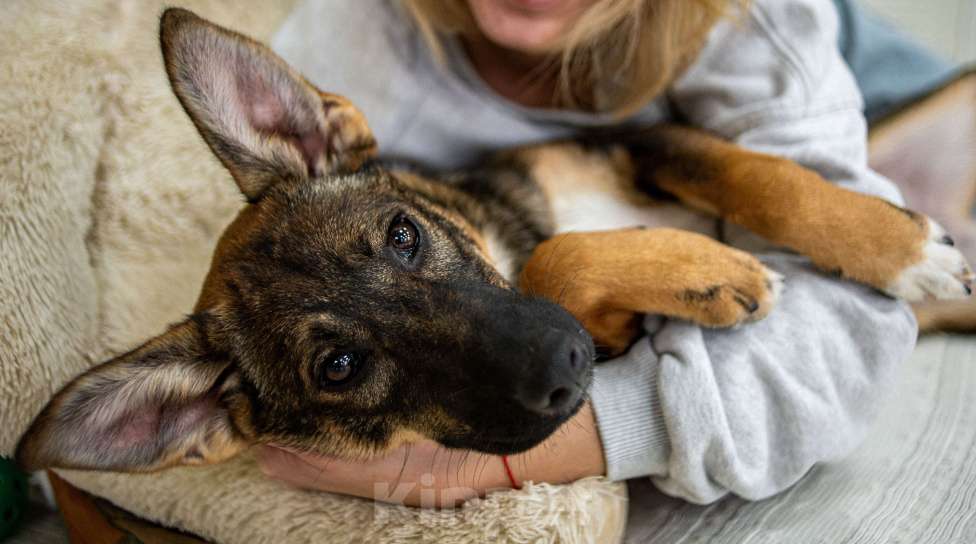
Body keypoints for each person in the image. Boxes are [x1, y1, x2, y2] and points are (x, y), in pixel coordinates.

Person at [257, 0, 918, 507]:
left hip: (844, 67)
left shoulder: (754, 23)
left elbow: (857, 321)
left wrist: (524, 458)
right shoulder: (341, 51)